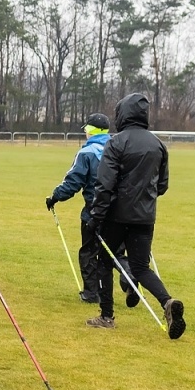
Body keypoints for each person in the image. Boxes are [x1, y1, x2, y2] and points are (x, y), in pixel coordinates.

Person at [86, 93, 185, 338]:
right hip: (145, 216)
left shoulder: (116, 142)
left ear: (122, 114)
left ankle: (106, 315)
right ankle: (167, 301)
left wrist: (96, 217)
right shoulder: (158, 144)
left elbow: (104, 184)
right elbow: (162, 185)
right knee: (141, 267)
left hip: (116, 216)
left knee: (104, 262)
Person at [46, 113, 112, 303]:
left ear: (90, 130)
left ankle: (92, 293)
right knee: (113, 252)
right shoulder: (118, 149)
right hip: (118, 210)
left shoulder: (87, 153)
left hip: (94, 210)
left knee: (89, 252)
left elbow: (73, 181)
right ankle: (130, 276)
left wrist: (55, 197)